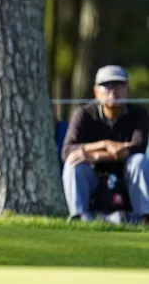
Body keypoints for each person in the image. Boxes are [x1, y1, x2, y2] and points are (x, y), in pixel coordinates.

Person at [61, 65, 149, 223]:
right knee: (73, 163)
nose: (113, 91)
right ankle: (79, 218)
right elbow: (67, 150)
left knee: (139, 161)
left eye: (119, 85)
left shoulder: (138, 114)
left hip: (126, 176)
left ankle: (144, 218)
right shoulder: (83, 114)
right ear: (96, 92)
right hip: (93, 176)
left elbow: (137, 148)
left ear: (127, 90)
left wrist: (92, 155)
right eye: (107, 85)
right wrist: (105, 144)